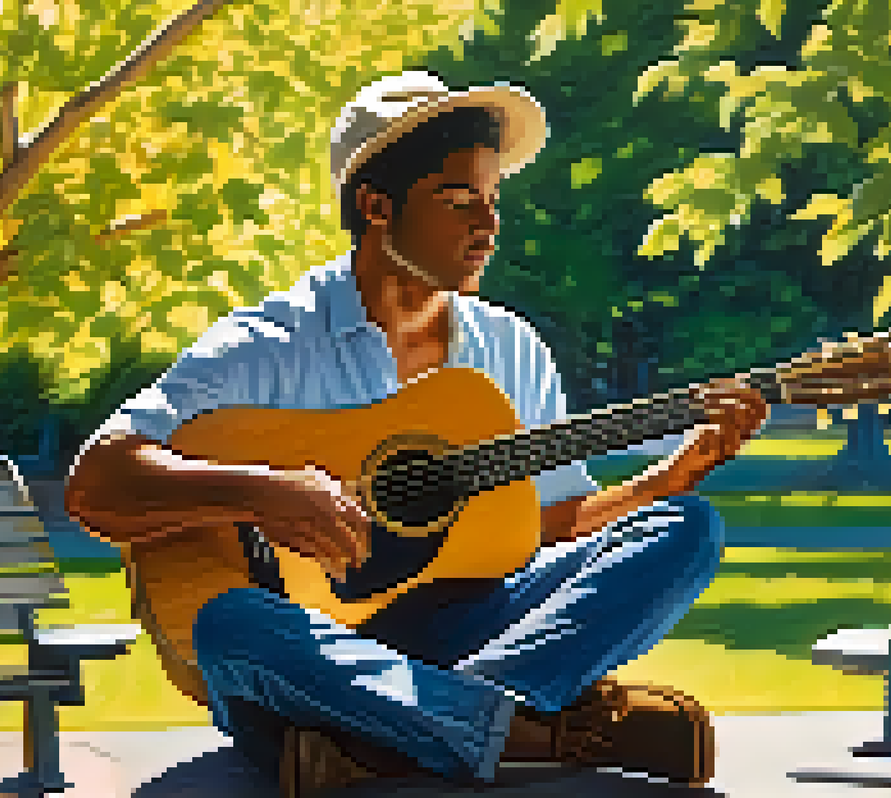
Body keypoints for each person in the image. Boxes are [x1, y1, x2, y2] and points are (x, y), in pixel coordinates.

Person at [65, 70, 768, 797]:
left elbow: (546, 529)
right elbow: (98, 483)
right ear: (376, 205)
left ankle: (404, 736)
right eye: (459, 199)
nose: (488, 224)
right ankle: (531, 733)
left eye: (493, 202)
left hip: (469, 632)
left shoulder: (511, 347)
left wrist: (670, 477)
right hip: (315, 653)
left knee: (686, 527)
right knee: (231, 625)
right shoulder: (270, 342)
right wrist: (265, 494)